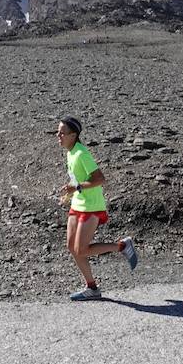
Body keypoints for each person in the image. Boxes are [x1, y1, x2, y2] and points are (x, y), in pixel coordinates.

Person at [57, 116, 137, 301]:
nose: (58, 135)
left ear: (73, 135)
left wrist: (76, 188)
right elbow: (77, 179)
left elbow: (100, 179)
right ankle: (92, 288)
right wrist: (69, 194)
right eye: (58, 132)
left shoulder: (81, 154)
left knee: (82, 250)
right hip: (77, 204)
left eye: (62, 132)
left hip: (91, 206)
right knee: (72, 247)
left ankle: (122, 246)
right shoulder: (70, 152)